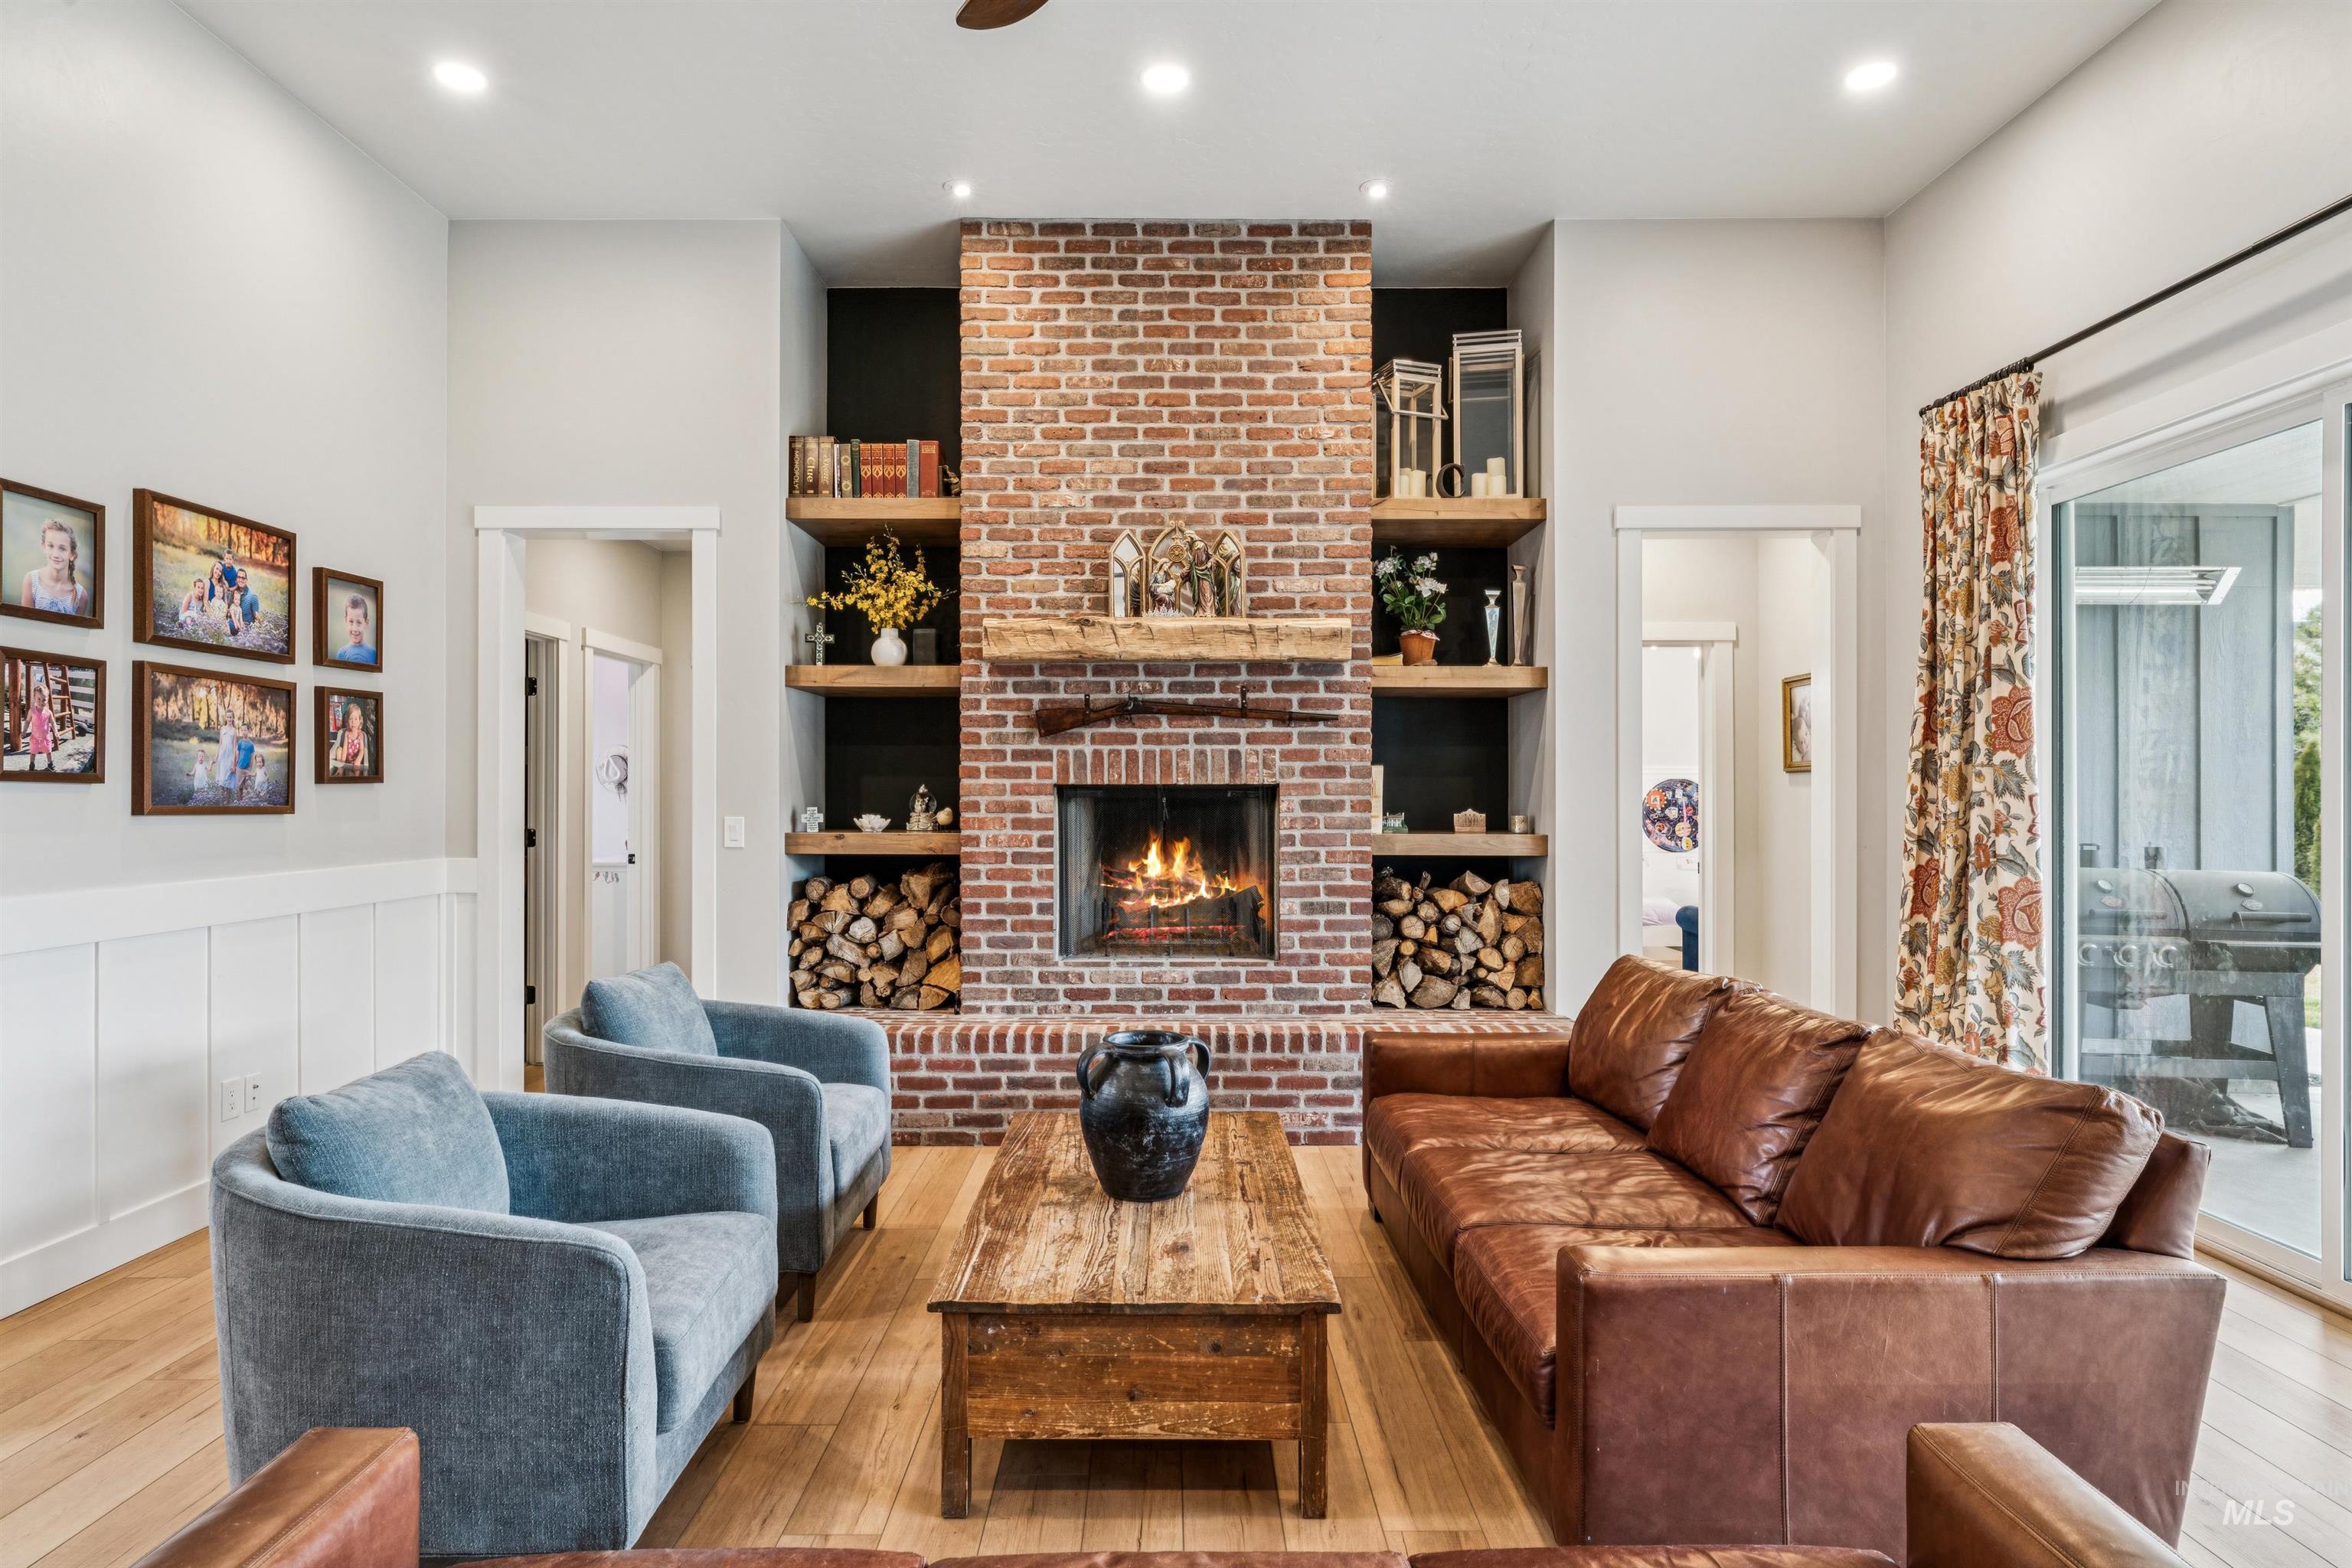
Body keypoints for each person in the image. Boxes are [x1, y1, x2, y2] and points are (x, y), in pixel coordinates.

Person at [18, 518, 90, 617]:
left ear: (72, 555)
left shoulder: (81, 596)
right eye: (51, 546)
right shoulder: (31, 581)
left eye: (62, 549)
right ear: (43, 546)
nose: (56, 554)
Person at [332, 593, 377, 665]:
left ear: (366, 623)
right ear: (346, 620)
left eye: (359, 622)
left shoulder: (374, 653)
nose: (355, 629)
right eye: (351, 622)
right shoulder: (341, 653)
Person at [22, 672, 54, 770]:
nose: (41, 702)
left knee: (48, 751)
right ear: (35, 699)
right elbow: (27, 721)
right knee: (33, 752)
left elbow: (53, 723)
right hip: (35, 737)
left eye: (44, 700)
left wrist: (56, 732)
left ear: (47, 700)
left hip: (45, 737)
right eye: (39, 699)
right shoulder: (32, 711)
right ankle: (32, 764)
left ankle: (50, 764)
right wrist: (24, 731)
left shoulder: (48, 712)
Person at [332, 699, 372, 775]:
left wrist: (358, 761)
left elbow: (361, 750)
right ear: (347, 721)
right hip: (347, 758)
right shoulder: (347, 733)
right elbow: (344, 750)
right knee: (339, 749)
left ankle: (355, 777)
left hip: (356, 760)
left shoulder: (360, 734)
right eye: (350, 719)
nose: (353, 722)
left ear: (360, 721)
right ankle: (340, 770)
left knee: (357, 772)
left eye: (356, 719)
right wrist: (342, 764)